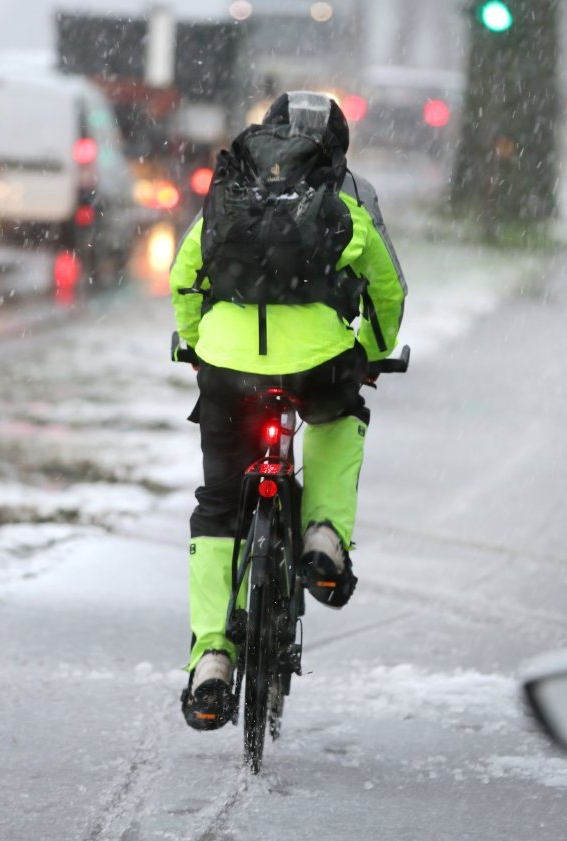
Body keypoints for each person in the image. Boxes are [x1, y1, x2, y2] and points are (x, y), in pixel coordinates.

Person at [170, 91, 407, 730]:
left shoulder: (232, 186)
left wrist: (197, 344)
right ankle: (324, 535)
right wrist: (373, 352)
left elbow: (185, 274)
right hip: (316, 362)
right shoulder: (348, 194)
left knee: (219, 506)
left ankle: (212, 660)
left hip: (228, 367)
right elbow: (386, 286)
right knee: (338, 412)